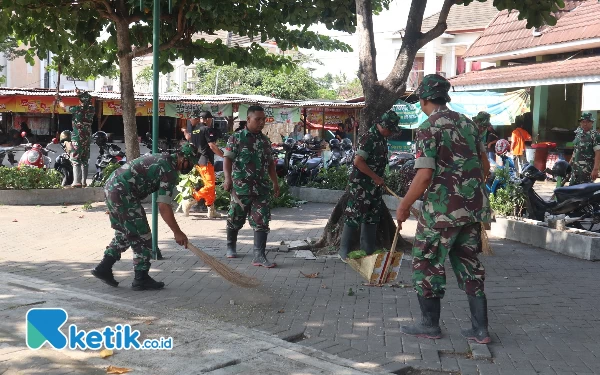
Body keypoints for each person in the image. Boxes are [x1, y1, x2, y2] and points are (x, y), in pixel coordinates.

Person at [396, 74, 491, 344]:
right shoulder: (469, 124)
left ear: (422, 99)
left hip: (441, 212)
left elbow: (425, 175)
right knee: (470, 265)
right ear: (444, 97)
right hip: (472, 209)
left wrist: (404, 205)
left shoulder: (429, 127)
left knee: (426, 264)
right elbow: (484, 166)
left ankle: (429, 325)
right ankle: (480, 330)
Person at [91, 143, 199, 290]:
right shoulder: (169, 170)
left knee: (126, 232)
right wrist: (177, 232)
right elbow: (163, 206)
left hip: (112, 188)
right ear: (183, 158)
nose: (191, 166)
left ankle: (104, 267)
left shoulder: (165, 159)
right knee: (143, 235)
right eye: (191, 162)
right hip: (124, 194)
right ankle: (141, 278)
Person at [338, 110, 401, 261]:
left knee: (372, 217)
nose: (391, 133)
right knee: (354, 216)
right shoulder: (369, 137)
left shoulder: (381, 137)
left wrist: (377, 180)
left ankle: (368, 252)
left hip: (374, 187)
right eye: (390, 129)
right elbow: (358, 161)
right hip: (361, 186)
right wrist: (375, 177)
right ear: (384, 126)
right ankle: (344, 252)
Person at [222, 105, 280, 266]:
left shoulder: (265, 141)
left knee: (262, 220)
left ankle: (259, 255)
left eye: (263, 120)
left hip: (261, 188)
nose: (261, 123)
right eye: (258, 119)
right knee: (235, 218)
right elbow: (227, 159)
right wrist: (228, 179)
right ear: (248, 119)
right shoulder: (237, 138)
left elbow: (270, 164)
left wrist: (275, 182)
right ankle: (230, 246)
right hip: (241, 188)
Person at [182, 110, 224, 218]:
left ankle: (211, 210)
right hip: (206, 161)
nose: (211, 121)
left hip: (198, 161)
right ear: (208, 119)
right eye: (210, 119)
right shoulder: (207, 129)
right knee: (210, 185)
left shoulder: (195, 130)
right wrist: (224, 156)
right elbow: (212, 146)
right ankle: (191, 200)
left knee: (209, 186)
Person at [59, 90, 94, 188]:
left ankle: (77, 182)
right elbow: (85, 102)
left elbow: (63, 107)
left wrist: (59, 100)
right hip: (87, 139)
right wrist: (80, 94)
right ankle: (83, 182)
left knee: (76, 159)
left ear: (80, 101)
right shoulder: (92, 109)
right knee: (85, 160)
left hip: (77, 138)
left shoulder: (77, 109)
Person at [569, 112, 600, 185]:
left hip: (587, 170)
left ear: (592, 122)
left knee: (584, 191)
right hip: (575, 170)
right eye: (583, 122)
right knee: (572, 190)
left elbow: (598, 153)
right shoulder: (579, 134)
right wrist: (569, 164)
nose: (585, 124)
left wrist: (595, 169)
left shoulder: (595, 136)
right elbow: (575, 151)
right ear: (580, 123)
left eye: (588, 122)